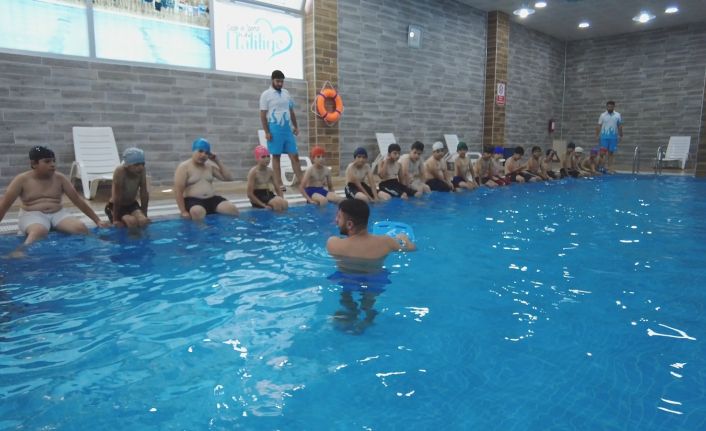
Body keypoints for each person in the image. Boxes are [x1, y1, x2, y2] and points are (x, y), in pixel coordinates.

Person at [0, 146, 108, 252]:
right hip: (32, 214)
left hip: (58, 213)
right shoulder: (21, 180)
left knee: (80, 228)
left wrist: (97, 220)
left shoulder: (60, 178)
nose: (52, 164)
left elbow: (78, 200)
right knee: (38, 231)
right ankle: (20, 251)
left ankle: (99, 246)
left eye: (53, 161)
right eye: (47, 161)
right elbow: (4, 206)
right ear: (34, 164)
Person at [326, 199, 416, 272]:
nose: (336, 220)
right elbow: (412, 249)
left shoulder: (333, 243)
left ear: (350, 224)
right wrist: (405, 239)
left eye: (339, 217)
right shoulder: (386, 242)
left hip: (346, 279)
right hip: (376, 279)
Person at [174, 138, 239, 221]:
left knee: (232, 209)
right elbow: (178, 191)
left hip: (212, 199)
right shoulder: (184, 167)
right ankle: (203, 229)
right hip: (193, 201)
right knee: (197, 212)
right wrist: (183, 211)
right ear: (193, 151)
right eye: (200, 151)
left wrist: (217, 161)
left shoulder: (209, 166)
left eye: (207, 153)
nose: (203, 155)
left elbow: (228, 178)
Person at [259, 70, 304, 190]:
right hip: (274, 129)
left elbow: (291, 111)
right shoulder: (266, 95)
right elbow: (263, 115)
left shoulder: (286, 93)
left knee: (294, 155)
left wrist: (296, 126)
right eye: (278, 81)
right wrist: (267, 132)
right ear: (272, 80)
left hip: (287, 130)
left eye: (282, 81)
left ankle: (303, 182)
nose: (280, 84)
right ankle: (279, 183)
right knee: (276, 157)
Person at [105, 147, 150, 228]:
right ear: (127, 166)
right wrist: (115, 219)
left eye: (143, 164)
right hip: (116, 206)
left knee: (143, 221)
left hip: (131, 204)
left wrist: (145, 214)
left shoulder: (142, 170)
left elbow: (144, 193)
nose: (140, 167)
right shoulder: (120, 171)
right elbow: (117, 197)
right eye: (136, 165)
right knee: (131, 222)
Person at [247, 145, 288, 211]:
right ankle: (277, 217)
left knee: (285, 203)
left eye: (268, 156)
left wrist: (282, 199)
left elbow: (278, 188)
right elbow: (249, 194)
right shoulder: (253, 172)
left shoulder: (270, 171)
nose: (267, 159)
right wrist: (263, 205)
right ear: (257, 159)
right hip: (258, 196)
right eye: (263, 157)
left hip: (268, 194)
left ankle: (282, 217)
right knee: (276, 204)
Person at [595, 100, 623, 173]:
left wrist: (621, 135)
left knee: (611, 153)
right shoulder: (602, 115)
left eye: (611, 106)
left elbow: (619, 126)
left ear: (614, 107)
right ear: (606, 107)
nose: (610, 108)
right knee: (602, 153)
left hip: (613, 137)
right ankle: (602, 167)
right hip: (604, 137)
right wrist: (597, 135)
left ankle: (610, 168)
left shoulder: (618, 115)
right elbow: (599, 126)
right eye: (608, 106)